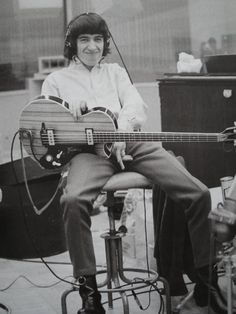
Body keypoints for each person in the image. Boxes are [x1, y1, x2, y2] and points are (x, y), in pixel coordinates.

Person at [41, 12, 231, 314]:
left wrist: (121, 131)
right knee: (74, 200)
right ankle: (90, 296)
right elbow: (48, 124)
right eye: (84, 39)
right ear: (72, 44)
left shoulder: (115, 72)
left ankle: (207, 286)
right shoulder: (56, 81)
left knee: (198, 193)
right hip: (88, 155)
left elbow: (134, 104)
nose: (91, 46)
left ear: (105, 44)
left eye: (98, 40)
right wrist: (69, 110)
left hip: (131, 144)